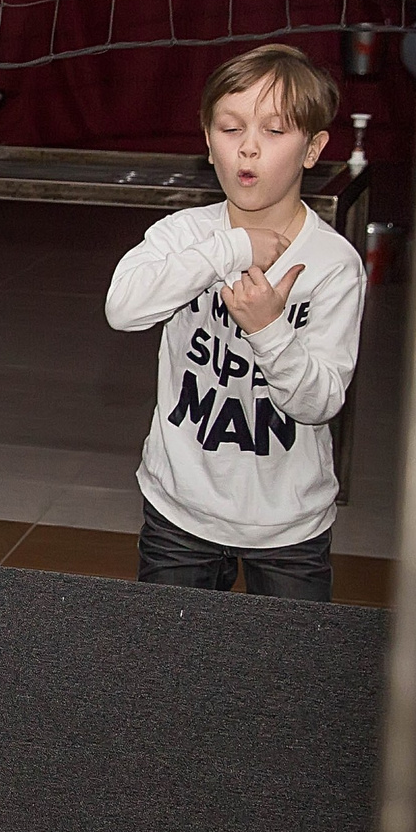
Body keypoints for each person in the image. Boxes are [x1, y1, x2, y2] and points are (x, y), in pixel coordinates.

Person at [104, 43, 363, 600]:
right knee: (171, 670)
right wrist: (232, 248)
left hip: (289, 524)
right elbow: (123, 308)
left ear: (313, 147)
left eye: (274, 132)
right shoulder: (186, 236)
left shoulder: (334, 264)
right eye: (230, 128)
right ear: (207, 138)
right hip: (181, 511)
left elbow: (321, 402)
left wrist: (270, 329)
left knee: (288, 676)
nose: (247, 148)